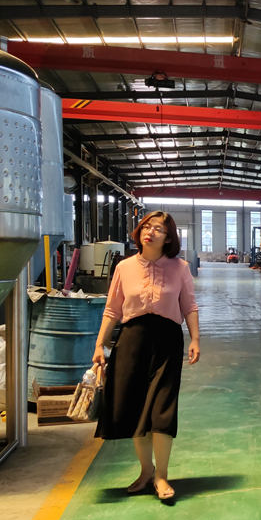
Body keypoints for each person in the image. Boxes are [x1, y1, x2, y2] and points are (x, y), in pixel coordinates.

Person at [93, 211, 201, 504]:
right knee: (137, 409)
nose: (150, 232)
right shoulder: (124, 267)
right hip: (132, 342)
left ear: (168, 238)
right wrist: (100, 345)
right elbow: (112, 310)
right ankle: (146, 471)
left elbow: (189, 306)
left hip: (167, 342)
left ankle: (162, 476)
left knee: (162, 409)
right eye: (146, 227)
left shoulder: (180, 268)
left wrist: (195, 339)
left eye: (158, 229)